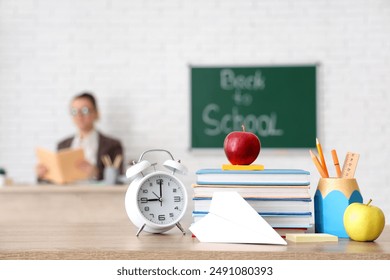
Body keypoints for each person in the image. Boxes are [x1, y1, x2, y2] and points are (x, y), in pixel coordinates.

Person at [37, 92, 124, 181]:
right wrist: (44, 175)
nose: (79, 116)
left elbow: (119, 179)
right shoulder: (62, 145)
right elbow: (56, 181)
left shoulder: (112, 145)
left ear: (96, 113)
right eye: (74, 111)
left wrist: (96, 173)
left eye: (85, 110)